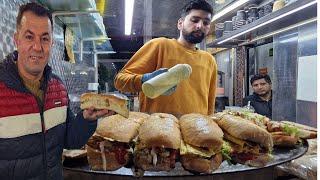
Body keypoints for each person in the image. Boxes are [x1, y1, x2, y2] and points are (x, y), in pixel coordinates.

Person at [0, 3, 112, 180]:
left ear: (52, 42)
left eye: (44, 38)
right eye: (29, 37)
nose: (37, 47)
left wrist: (86, 119)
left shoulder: (58, 87)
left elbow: (70, 140)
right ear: (17, 40)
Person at [114, 0, 217, 116]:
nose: (200, 26)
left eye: (206, 23)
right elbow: (120, 81)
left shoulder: (209, 60)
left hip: (195, 130)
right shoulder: (159, 46)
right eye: (195, 20)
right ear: (180, 23)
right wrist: (144, 80)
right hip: (158, 127)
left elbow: (210, 103)